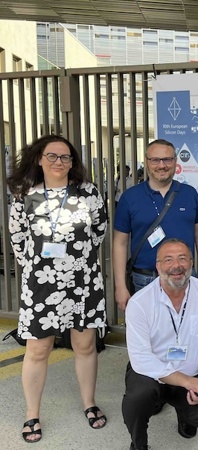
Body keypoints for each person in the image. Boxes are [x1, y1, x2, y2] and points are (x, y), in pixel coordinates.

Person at [7, 135, 108, 443]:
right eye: (52, 156)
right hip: (41, 284)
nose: (59, 162)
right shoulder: (26, 195)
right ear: (39, 159)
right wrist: (41, 267)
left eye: (66, 158)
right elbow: (18, 239)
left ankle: (89, 403)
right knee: (38, 350)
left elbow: (99, 230)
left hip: (83, 281)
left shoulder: (86, 192)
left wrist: (76, 262)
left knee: (85, 346)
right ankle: (32, 413)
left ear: (72, 163)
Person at [123, 238, 198, 450]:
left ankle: (184, 413)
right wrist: (188, 382)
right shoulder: (139, 303)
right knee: (138, 399)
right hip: (152, 375)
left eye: (182, 259)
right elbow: (141, 359)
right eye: (168, 260)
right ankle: (138, 444)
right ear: (158, 266)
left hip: (191, 372)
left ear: (191, 263)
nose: (176, 266)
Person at [113, 139, 198, 311]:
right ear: (147, 162)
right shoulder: (130, 197)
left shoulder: (189, 194)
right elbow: (119, 243)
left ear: (175, 162)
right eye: (155, 160)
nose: (162, 165)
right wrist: (120, 286)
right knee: (148, 336)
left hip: (185, 278)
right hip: (145, 281)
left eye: (167, 160)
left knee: (188, 334)